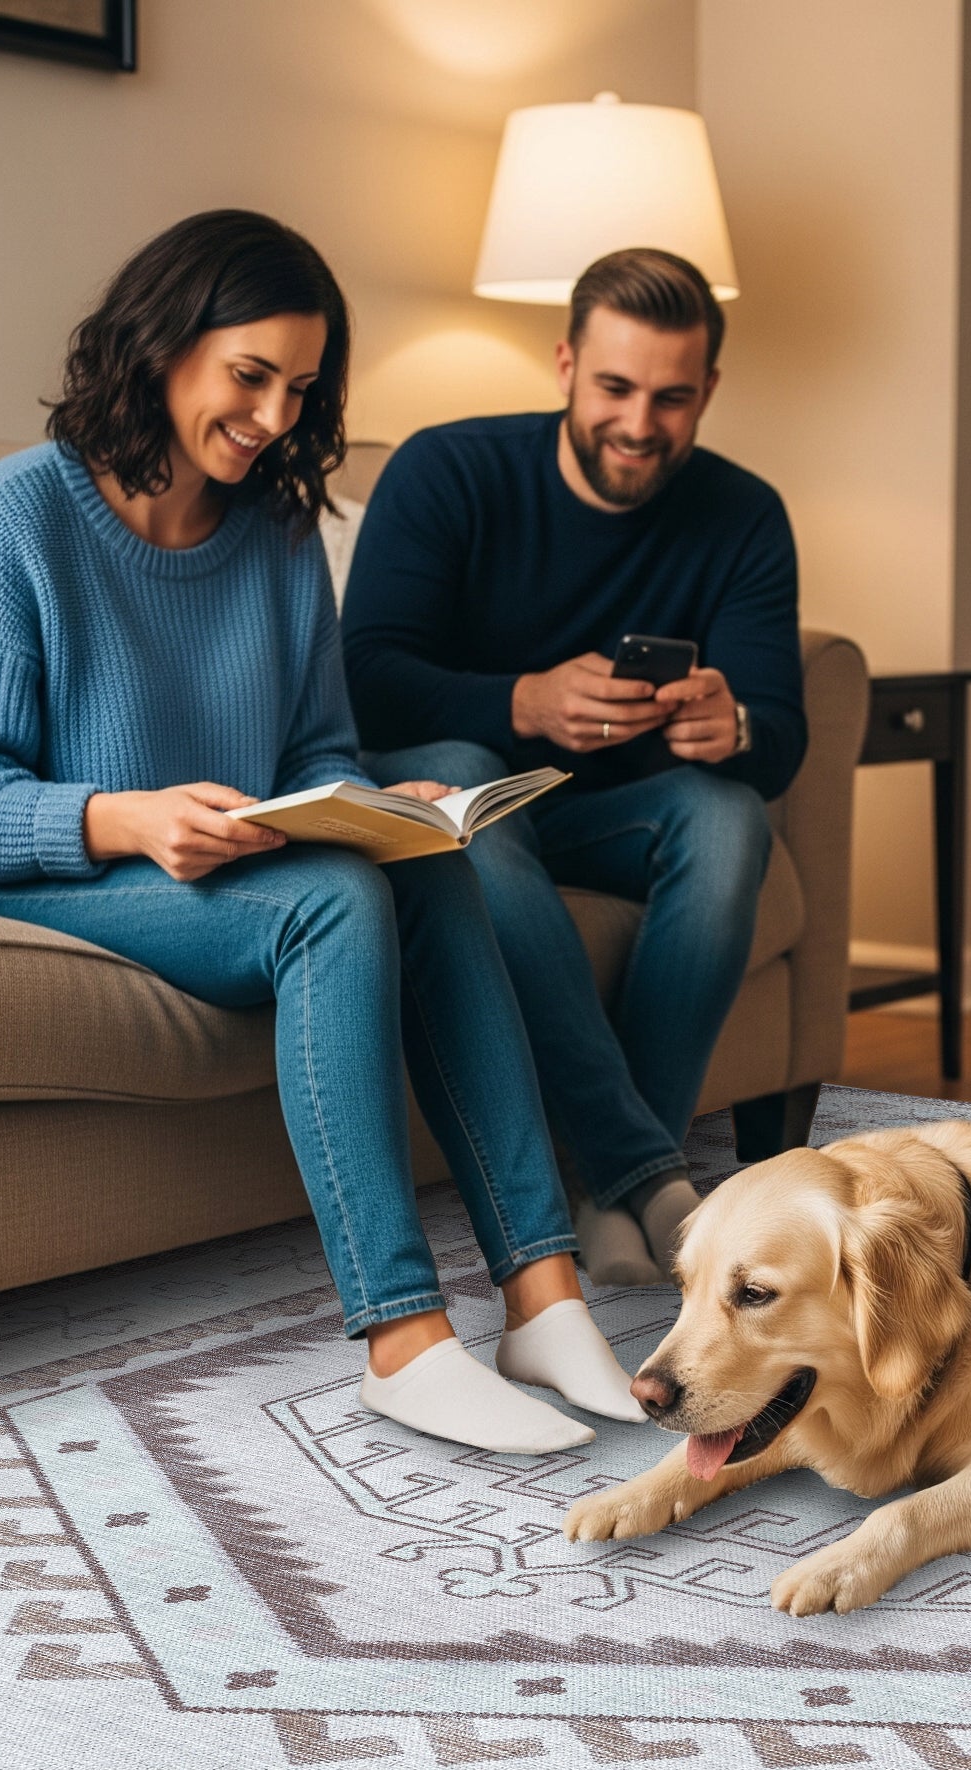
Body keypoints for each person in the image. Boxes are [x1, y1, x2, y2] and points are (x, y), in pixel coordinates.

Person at [0, 209, 645, 1454]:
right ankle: (401, 1337)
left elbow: (316, 746)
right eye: (249, 375)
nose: (271, 417)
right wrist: (122, 815)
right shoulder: (13, 521)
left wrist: (375, 805)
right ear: (163, 345)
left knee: (419, 868)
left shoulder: (273, 530)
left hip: (230, 861)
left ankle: (541, 1291)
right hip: (57, 871)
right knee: (334, 903)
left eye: (300, 387)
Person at [341, 247, 805, 1286]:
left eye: (673, 398)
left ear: (708, 393)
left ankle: (606, 1188)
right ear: (563, 365)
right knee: (467, 771)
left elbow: (782, 728)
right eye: (615, 388)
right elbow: (362, 678)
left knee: (730, 813)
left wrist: (735, 726)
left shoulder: (743, 514)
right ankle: (646, 1170)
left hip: (607, 813)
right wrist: (521, 699)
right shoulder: (447, 470)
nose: (641, 424)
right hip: (456, 789)